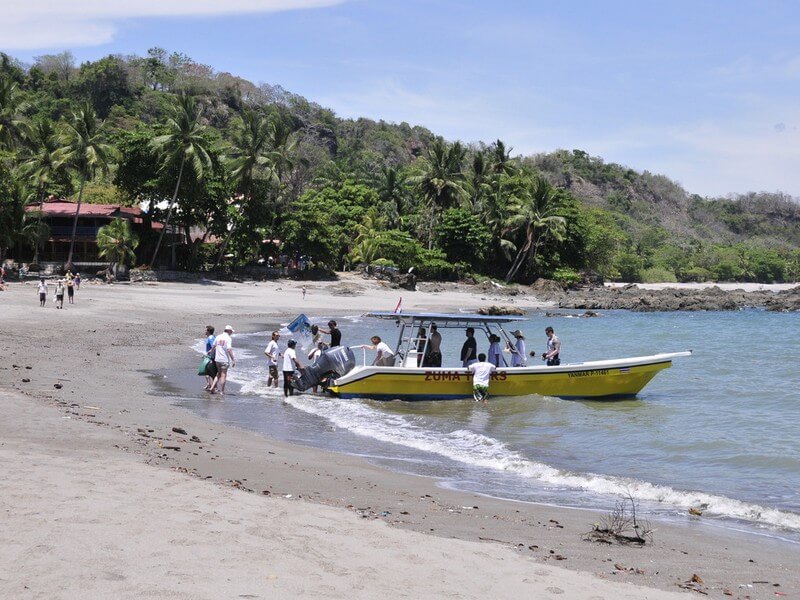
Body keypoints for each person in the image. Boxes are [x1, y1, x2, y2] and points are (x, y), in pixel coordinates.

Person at [209, 325, 235, 394]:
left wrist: (211, 355)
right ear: (228, 331)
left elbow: (213, 347)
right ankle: (222, 391)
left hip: (217, 359)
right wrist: (233, 359)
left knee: (218, 374)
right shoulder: (228, 338)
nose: (231, 333)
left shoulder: (218, 336)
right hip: (224, 359)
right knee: (223, 375)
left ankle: (212, 387)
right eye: (231, 331)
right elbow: (229, 349)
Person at [203, 325, 216, 390]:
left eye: (205, 330)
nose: (204, 331)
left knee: (211, 372)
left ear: (208, 331)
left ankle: (214, 387)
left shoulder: (211, 338)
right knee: (206, 371)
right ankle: (209, 384)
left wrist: (209, 354)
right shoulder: (211, 337)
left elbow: (214, 347)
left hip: (211, 357)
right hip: (209, 356)